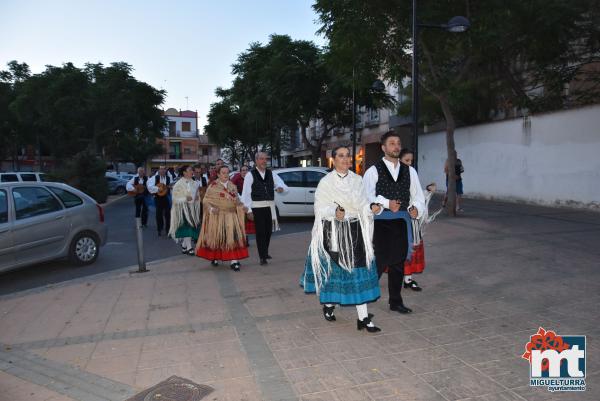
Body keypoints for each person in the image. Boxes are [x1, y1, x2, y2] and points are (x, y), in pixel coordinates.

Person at [301, 146, 382, 332]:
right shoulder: (326, 182)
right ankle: (329, 305)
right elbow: (320, 208)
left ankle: (363, 318)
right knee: (335, 273)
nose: (345, 159)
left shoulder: (357, 179)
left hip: (355, 230)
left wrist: (372, 208)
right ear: (333, 159)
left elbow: (363, 203)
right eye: (341, 156)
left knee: (357, 272)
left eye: (348, 156)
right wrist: (334, 212)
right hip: (334, 233)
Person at [364, 131, 425, 314]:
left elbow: (418, 196)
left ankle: (395, 301)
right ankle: (364, 299)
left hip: (402, 222)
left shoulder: (410, 171)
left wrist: (415, 209)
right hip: (381, 222)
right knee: (379, 262)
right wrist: (385, 203)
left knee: (398, 262)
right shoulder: (373, 171)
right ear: (383, 148)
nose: (396, 146)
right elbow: (366, 198)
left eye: (398, 143)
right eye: (392, 143)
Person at [399, 149, 443, 291]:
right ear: (399, 160)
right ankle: (397, 281)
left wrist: (427, 190)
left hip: (413, 219)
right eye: (406, 160)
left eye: (411, 160)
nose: (409, 163)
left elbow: (417, 195)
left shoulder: (412, 173)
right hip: (399, 219)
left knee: (411, 249)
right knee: (399, 251)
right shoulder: (393, 176)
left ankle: (408, 279)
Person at [196, 165, 249, 271]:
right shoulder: (213, 186)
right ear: (219, 174)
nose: (226, 175)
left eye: (227, 172)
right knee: (218, 238)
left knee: (232, 238)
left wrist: (243, 207)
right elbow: (206, 201)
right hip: (218, 217)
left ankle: (234, 261)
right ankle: (214, 257)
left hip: (231, 216)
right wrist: (211, 209)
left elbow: (237, 200)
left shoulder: (233, 186)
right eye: (223, 173)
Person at [240, 152, 288, 265]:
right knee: (260, 232)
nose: (264, 161)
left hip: (270, 206)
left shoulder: (271, 173)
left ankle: (265, 251)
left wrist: (281, 188)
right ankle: (262, 256)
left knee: (268, 231)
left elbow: (281, 184)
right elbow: (246, 194)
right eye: (261, 159)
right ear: (256, 161)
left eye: (265, 159)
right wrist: (249, 210)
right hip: (257, 207)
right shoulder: (250, 175)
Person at [168, 165, 201, 255]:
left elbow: (196, 195)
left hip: (192, 209)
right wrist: (185, 199)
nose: (192, 171)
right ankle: (189, 247)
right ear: (184, 172)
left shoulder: (194, 183)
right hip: (182, 210)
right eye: (190, 170)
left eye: (191, 170)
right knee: (187, 228)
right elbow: (175, 199)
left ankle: (184, 245)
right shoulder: (178, 184)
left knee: (190, 228)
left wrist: (197, 198)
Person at [148, 166, 172, 237]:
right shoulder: (155, 178)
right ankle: (159, 229)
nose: (162, 171)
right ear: (158, 170)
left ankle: (168, 230)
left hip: (166, 198)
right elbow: (149, 186)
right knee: (159, 214)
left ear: (165, 171)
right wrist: (158, 189)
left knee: (168, 214)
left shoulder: (169, 178)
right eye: (161, 169)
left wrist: (171, 187)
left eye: (164, 169)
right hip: (158, 198)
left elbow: (171, 187)